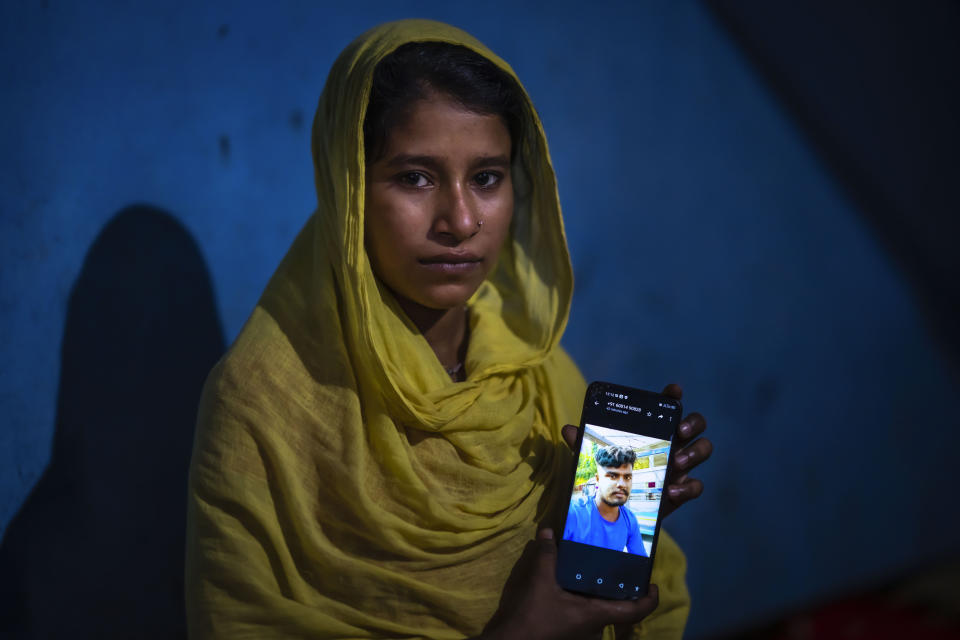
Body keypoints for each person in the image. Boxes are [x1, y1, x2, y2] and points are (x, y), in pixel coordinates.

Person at [185, 19, 712, 640]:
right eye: (415, 177)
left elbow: (613, 597)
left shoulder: (535, 373)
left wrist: (609, 523)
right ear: (348, 185)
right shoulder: (261, 402)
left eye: (487, 178)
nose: (460, 220)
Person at [563, 446, 647, 556]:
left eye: (627, 477)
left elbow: (640, 562)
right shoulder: (573, 513)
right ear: (597, 479)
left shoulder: (630, 521)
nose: (622, 484)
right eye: (613, 476)